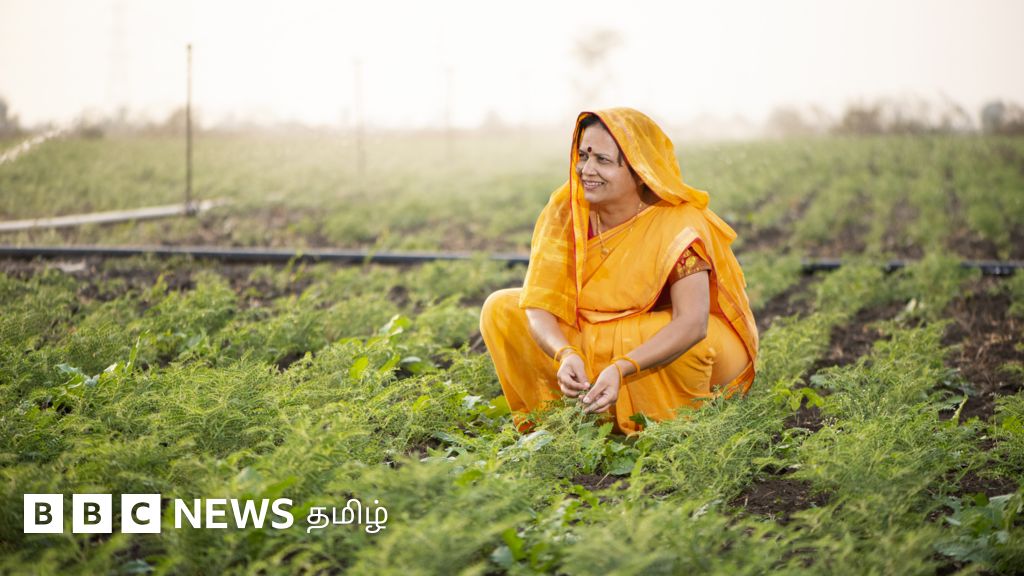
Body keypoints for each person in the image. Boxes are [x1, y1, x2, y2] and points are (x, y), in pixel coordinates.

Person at [480, 107, 759, 436]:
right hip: (599, 331)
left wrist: (623, 366)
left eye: (603, 160)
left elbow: (692, 323)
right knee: (501, 309)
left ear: (641, 171)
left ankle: (665, 423)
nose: (586, 170)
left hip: (659, 341)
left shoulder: (677, 222)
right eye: (584, 155)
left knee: (689, 339)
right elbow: (540, 304)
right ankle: (576, 416)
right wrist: (565, 352)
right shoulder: (565, 209)